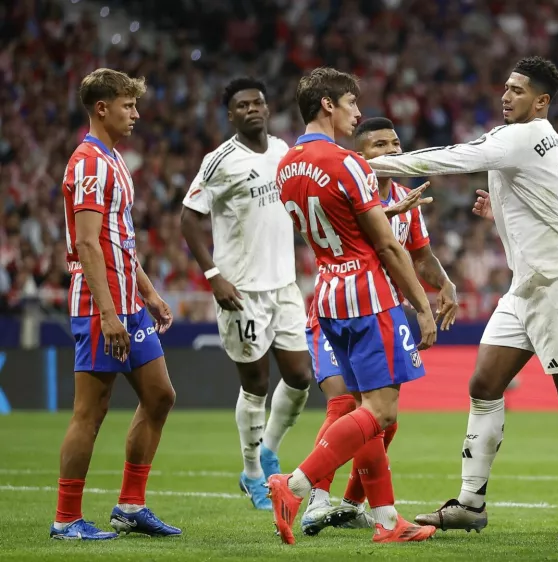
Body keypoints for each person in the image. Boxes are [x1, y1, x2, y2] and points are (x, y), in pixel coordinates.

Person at [368, 56, 558, 542]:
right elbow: (551, 212)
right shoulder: (551, 142)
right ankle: (471, 503)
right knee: (484, 384)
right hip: (529, 284)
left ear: (541, 101)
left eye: (518, 90)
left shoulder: (519, 137)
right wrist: (500, 209)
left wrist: (357, 163)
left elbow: (447, 158)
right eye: (505, 87)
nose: (506, 96)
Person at [265, 67, 439, 545]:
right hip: (367, 294)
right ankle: (296, 485)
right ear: (327, 105)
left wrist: (384, 213)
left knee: (362, 408)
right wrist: (422, 305)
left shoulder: (287, 165)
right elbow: (386, 247)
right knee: (381, 413)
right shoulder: (349, 163)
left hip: (327, 293)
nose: (357, 113)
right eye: (350, 104)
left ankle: (387, 522)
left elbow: (336, 223)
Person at [300, 117, 459, 535]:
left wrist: (444, 284)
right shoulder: (349, 189)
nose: (391, 151)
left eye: (396, 143)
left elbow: (420, 256)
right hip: (336, 310)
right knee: (345, 405)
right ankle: (313, 498)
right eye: (379, 146)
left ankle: (352, 505)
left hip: (380, 311)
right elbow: (366, 234)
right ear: (360, 156)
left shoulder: (406, 196)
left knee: (383, 418)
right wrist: (423, 307)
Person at [51, 68, 181, 540]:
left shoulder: (115, 160)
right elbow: (87, 246)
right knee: (92, 410)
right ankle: (66, 518)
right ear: (102, 108)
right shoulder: (88, 163)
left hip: (129, 301)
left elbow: (118, 240)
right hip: (98, 304)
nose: (137, 114)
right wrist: (108, 314)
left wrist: (146, 291)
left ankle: (130, 505)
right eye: (128, 105)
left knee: (160, 395)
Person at [180, 77, 312, 511]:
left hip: (285, 285)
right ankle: (253, 472)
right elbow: (188, 217)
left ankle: (269, 448)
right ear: (230, 114)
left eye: (258, 102)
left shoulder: (283, 152)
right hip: (242, 291)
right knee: (255, 384)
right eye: (242, 105)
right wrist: (213, 275)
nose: (252, 108)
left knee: (299, 377)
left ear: (267, 108)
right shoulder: (220, 161)